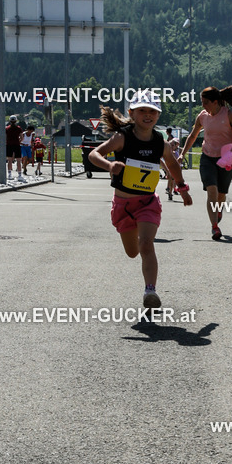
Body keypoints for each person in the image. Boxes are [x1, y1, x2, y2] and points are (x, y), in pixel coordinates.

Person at [88, 89, 192, 308]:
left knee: (146, 244)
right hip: (123, 206)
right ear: (132, 113)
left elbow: (172, 164)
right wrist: (109, 165)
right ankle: (136, 244)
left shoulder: (160, 142)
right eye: (142, 110)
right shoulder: (122, 137)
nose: (147, 115)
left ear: (158, 115)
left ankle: (150, 291)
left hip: (147, 203)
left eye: (152, 111)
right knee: (133, 252)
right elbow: (93, 154)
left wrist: (182, 187)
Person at [181, 86, 232, 240]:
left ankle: (218, 211)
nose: (203, 105)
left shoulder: (228, 115)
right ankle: (215, 227)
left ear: (216, 102)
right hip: (207, 158)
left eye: (206, 102)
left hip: (225, 159)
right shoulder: (202, 116)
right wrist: (182, 154)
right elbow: (193, 135)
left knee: (221, 195)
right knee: (212, 191)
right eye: (201, 102)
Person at [164, 127, 181, 201]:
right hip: (170, 167)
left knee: (173, 180)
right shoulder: (170, 151)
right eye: (172, 145)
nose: (173, 147)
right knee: (171, 180)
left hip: (175, 167)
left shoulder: (176, 152)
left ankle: (172, 190)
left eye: (174, 145)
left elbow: (179, 160)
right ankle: (170, 192)